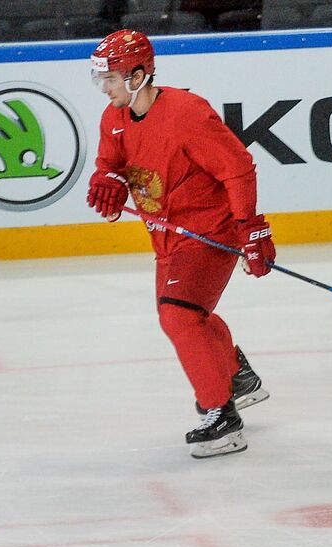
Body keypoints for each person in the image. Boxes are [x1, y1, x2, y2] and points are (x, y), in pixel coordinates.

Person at [86, 29, 271, 459]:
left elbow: (238, 167)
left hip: (209, 231)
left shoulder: (187, 114)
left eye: (110, 78)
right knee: (191, 314)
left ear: (137, 75)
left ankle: (221, 417)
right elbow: (109, 163)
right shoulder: (113, 118)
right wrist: (107, 181)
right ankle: (236, 378)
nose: (105, 88)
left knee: (179, 316)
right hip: (167, 236)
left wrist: (250, 226)